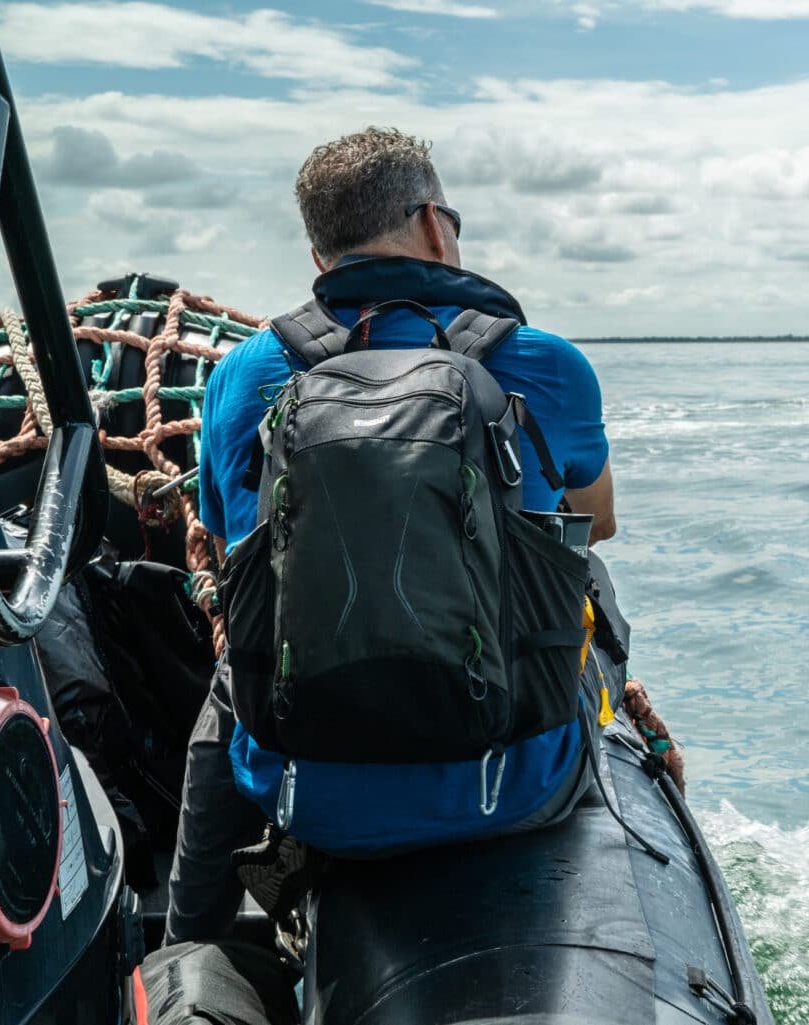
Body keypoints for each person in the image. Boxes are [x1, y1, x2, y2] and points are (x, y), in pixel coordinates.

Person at [165, 126, 615, 944]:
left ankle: (185, 937)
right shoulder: (549, 364)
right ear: (437, 225)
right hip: (514, 785)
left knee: (234, 667)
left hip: (306, 794)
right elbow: (603, 521)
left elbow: (236, 541)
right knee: (581, 573)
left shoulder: (241, 379)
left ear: (317, 253)